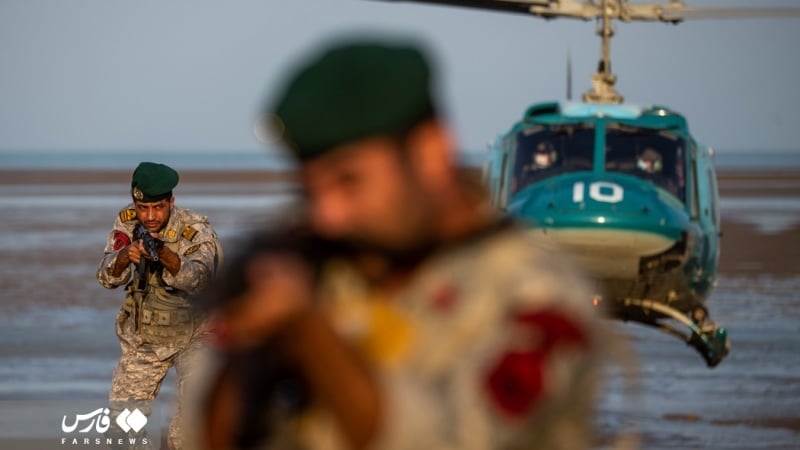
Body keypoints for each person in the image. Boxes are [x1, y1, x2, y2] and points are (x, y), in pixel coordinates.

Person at [196, 38, 605, 450]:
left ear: (431, 153)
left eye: (349, 181)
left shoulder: (540, 296)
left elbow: (448, 439)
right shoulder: (329, 267)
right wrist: (248, 350)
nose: (326, 216)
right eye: (310, 192)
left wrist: (310, 333)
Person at [97, 162, 222, 450]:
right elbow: (105, 277)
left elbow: (200, 279)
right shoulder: (128, 223)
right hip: (147, 336)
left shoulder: (194, 229)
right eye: (143, 208)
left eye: (158, 207)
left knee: (190, 431)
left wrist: (165, 255)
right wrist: (124, 256)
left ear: (171, 203)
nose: (150, 216)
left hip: (197, 335)